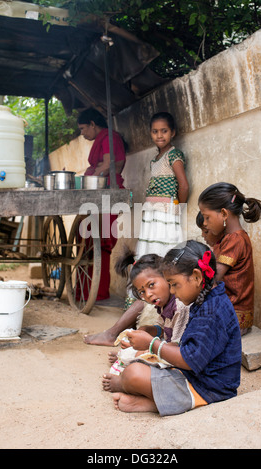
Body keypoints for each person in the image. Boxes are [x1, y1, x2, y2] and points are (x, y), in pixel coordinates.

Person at [84, 111, 189, 343]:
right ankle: (138, 317)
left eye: (164, 131)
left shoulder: (174, 155)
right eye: (155, 131)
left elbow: (183, 185)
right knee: (147, 258)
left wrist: (177, 209)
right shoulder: (156, 158)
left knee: (161, 259)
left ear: (173, 133)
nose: (159, 135)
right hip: (152, 214)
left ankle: (155, 318)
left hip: (165, 216)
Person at [110, 240, 242, 416]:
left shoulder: (212, 311)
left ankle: (162, 402)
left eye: (174, 284)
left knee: (132, 374)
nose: (172, 292)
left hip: (210, 388)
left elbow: (188, 359)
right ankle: (160, 401)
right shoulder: (204, 301)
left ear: (196, 277)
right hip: (195, 376)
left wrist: (152, 345)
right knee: (136, 368)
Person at [102, 248, 190, 390]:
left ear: (167, 277)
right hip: (168, 346)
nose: (148, 294)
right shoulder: (163, 305)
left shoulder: (180, 307)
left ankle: (129, 365)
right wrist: (149, 330)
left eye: (151, 285)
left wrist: (144, 349)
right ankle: (128, 357)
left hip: (179, 356)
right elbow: (163, 329)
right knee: (131, 353)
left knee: (137, 361)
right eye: (142, 292)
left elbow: (177, 347)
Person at [198, 182, 261, 335]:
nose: (206, 224)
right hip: (230, 312)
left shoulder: (235, 240)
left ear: (224, 214)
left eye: (207, 218)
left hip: (234, 316)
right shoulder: (227, 238)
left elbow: (213, 277)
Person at [77, 108, 126, 300]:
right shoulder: (102, 139)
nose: (82, 133)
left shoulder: (110, 138)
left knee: (101, 242)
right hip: (96, 192)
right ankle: (85, 290)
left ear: (92, 124)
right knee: (86, 240)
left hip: (106, 192)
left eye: (83, 129)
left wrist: (92, 179)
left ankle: (97, 292)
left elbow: (108, 165)